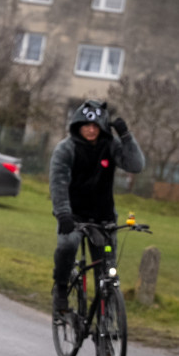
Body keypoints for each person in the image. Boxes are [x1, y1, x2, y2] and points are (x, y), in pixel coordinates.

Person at [49, 99, 145, 316]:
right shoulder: (66, 149)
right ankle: (62, 289)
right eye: (86, 125)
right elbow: (58, 183)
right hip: (73, 216)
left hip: (104, 218)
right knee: (67, 244)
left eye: (95, 126)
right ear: (78, 126)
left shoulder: (110, 146)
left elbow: (136, 165)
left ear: (102, 127)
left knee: (107, 269)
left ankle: (106, 313)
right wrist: (63, 213)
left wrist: (126, 136)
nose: (91, 130)